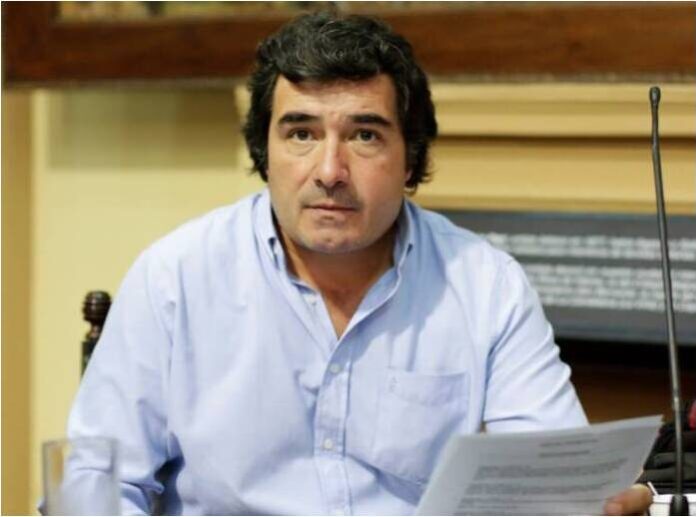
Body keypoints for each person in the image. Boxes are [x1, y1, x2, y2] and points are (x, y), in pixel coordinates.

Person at [67, 12, 652, 515]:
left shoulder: (484, 284)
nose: (329, 171)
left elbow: (553, 479)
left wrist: (600, 500)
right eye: (301, 133)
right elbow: (98, 485)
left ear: (409, 157)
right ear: (265, 151)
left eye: (365, 136)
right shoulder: (174, 278)